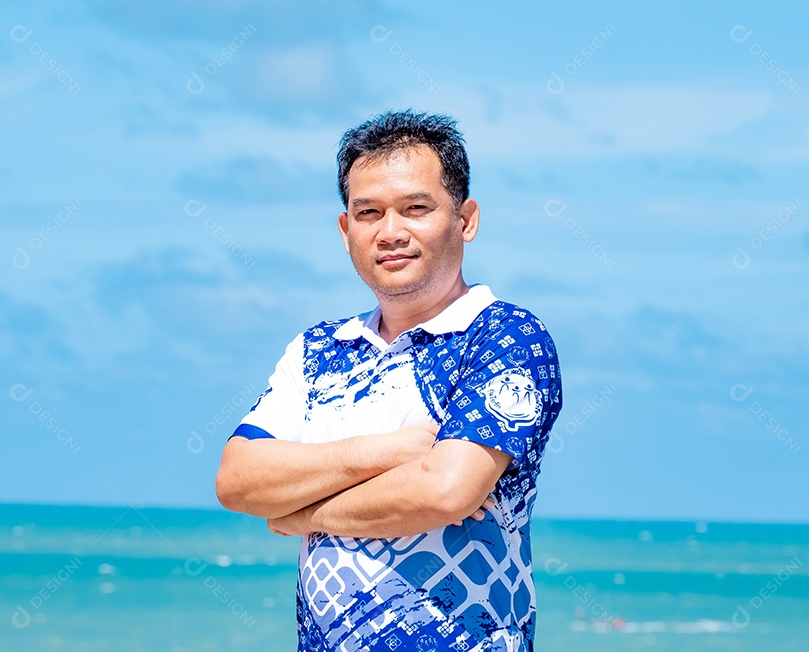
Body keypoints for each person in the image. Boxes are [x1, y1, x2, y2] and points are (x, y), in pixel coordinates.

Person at [215, 109, 562, 651]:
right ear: (345, 228)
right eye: (368, 212)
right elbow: (238, 480)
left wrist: (302, 515)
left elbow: (445, 490)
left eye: (416, 208)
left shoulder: (503, 336)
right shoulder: (317, 350)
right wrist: (388, 452)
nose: (391, 232)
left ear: (465, 219)